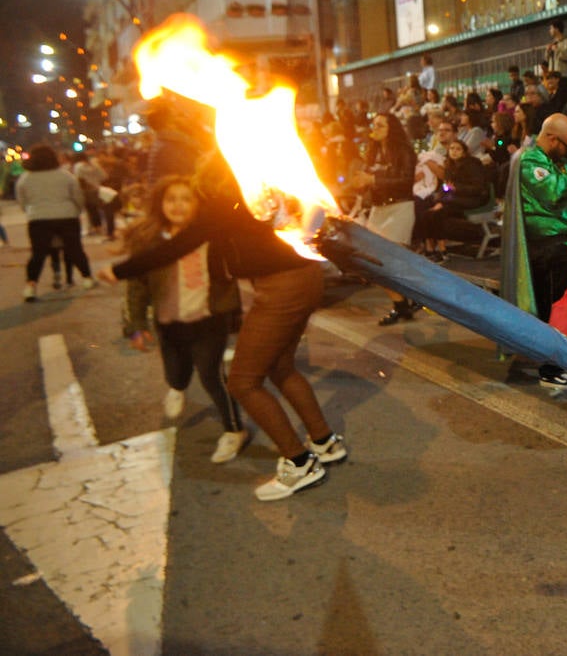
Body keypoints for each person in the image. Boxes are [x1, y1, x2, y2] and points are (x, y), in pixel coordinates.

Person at [98, 153, 348, 502]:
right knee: (279, 366)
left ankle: (300, 462)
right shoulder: (254, 188)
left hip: (282, 286)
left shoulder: (225, 199)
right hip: (301, 277)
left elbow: (179, 246)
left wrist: (119, 270)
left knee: (243, 382)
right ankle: (324, 441)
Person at [120, 176, 248, 463]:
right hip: (168, 322)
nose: (178, 205)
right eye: (171, 199)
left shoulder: (210, 237)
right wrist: (135, 326)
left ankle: (234, 430)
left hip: (207, 320)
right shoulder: (149, 241)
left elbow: (230, 277)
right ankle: (177, 387)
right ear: (160, 204)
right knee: (175, 373)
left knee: (211, 376)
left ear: (197, 204)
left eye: (186, 199)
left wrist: (234, 313)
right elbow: (137, 286)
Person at [518, 113, 567, 387]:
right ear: (550, 138)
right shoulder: (531, 160)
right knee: (554, 310)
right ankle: (550, 367)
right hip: (548, 248)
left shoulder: (553, 160)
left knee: (562, 309)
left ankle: (558, 361)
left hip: (563, 245)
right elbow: (555, 191)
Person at [348, 112, 420, 326]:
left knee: (392, 260)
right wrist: (361, 183)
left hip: (400, 207)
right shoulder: (373, 151)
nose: (375, 128)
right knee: (374, 262)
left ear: (392, 129)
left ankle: (412, 299)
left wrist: (374, 178)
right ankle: (400, 305)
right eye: (374, 124)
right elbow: (368, 177)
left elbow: (406, 180)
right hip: (379, 209)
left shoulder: (404, 151)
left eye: (380, 125)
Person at [17, 144, 95, 301]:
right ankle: (87, 278)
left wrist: (32, 212)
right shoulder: (65, 176)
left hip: (38, 218)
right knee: (75, 249)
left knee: (38, 253)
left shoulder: (25, 178)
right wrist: (77, 211)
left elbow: (22, 201)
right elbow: (77, 197)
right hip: (67, 216)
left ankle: (31, 287)